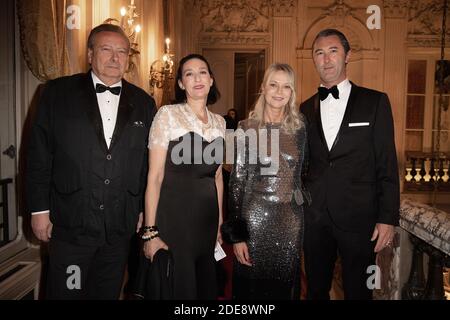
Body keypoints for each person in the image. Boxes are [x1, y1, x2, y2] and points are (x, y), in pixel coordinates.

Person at [26, 24, 156, 299]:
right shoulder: (56, 93)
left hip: (120, 225)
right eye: (106, 49)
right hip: (70, 222)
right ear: (89, 54)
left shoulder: (144, 102)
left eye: (122, 52)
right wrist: (39, 209)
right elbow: (38, 154)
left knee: (107, 292)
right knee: (68, 292)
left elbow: (147, 163)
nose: (114, 58)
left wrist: (144, 209)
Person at [300, 29, 400, 300]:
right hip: (315, 218)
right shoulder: (304, 109)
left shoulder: (375, 102)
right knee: (315, 291)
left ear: (347, 56)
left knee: (360, 292)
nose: (326, 59)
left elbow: (387, 163)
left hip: (361, 220)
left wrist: (387, 218)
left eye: (333, 51)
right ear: (314, 60)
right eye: (319, 53)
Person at [143, 53, 226, 299]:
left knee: (203, 288)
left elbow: (218, 177)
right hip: (175, 220)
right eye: (189, 74)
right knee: (181, 288)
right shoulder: (167, 115)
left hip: (207, 222)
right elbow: (154, 177)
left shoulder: (220, 122)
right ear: (181, 83)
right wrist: (150, 232)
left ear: (211, 80)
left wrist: (220, 223)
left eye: (202, 72)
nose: (197, 78)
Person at [222, 63, 307, 299]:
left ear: (292, 92)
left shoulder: (300, 128)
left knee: (284, 287)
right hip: (254, 220)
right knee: (251, 289)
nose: (279, 92)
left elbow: (304, 174)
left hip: (290, 222)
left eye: (286, 86)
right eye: (273, 84)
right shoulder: (245, 127)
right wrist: (238, 235)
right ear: (263, 87)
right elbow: (237, 183)